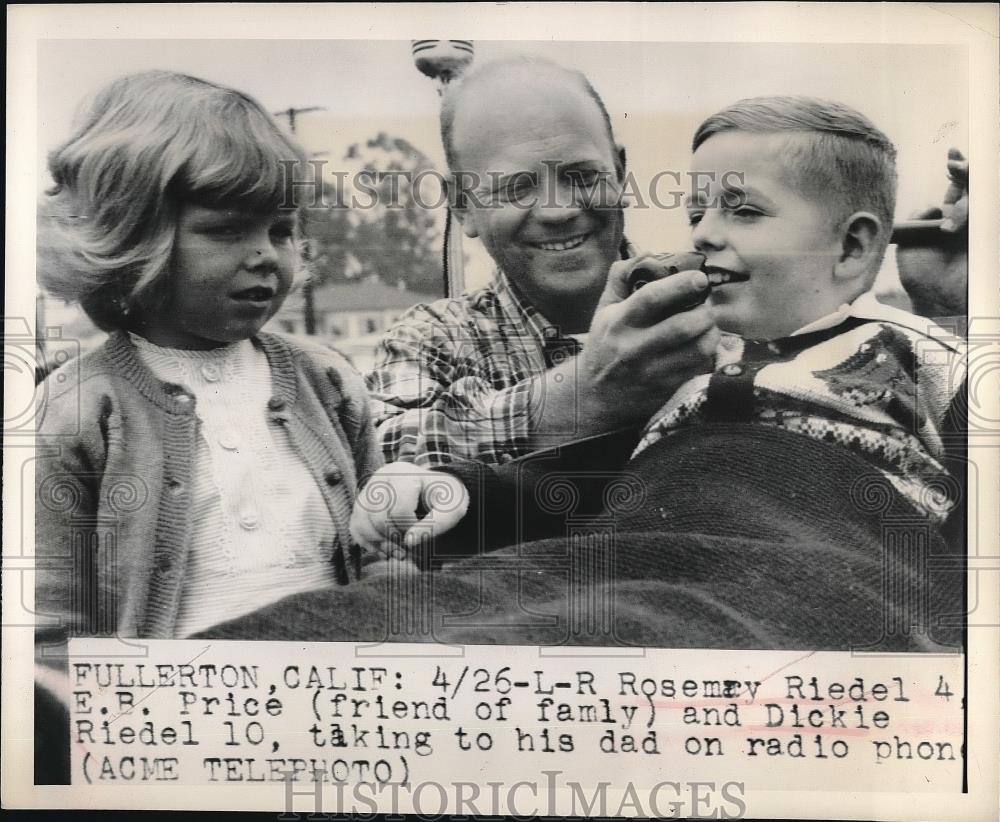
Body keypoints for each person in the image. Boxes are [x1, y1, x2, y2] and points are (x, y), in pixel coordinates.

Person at [351, 96, 966, 564]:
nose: (701, 234)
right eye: (696, 212)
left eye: (744, 210)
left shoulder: (911, 347)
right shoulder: (688, 360)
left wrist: (952, 304)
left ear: (854, 245)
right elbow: (577, 488)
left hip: (820, 575)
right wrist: (460, 499)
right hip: (630, 567)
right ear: (464, 210)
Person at [34, 71, 382, 642]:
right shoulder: (78, 410)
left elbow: (381, 549)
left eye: (282, 229)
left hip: (331, 700)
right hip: (167, 718)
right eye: (225, 230)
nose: (266, 255)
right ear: (129, 238)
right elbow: (49, 621)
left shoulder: (326, 379)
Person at [366, 55, 720, 466]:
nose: (559, 211)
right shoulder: (433, 339)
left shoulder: (715, 303)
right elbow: (380, 453)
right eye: (516, 187)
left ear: (620, 172)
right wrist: (585, 393)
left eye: (583, 176)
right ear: (463, 207)